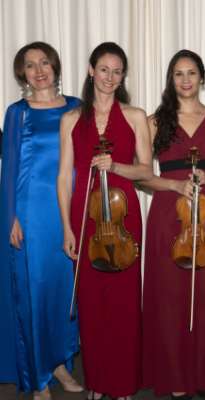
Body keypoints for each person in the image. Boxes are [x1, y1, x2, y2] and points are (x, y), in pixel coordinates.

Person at [141, 49, 205, 399]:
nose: (185, 80)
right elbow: (142, 175)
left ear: (202, 78)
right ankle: (175, 377)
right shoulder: (154, 122)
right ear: (171, 79)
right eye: (179, 74)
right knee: (170, 296)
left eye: (192, 73)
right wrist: (173, 185)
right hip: (169, 212)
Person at [57, 42, 152, 400]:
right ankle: (97, 381)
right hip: (85, 214)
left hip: (123, 217)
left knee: (124, 304)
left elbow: (146, 171)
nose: (110, 77)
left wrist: (116, 166)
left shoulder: (135, 116)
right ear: (90, 70)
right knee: (92, 304)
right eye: (104, 69)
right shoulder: (70, 119)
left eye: (117, 71)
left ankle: (123, 384)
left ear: (123, 76)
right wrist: (67, 228)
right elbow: (63, 177)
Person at [0, 42, 82, 400]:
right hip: (31, 214)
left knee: (64, 294)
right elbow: (9, 168)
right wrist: (11, 217)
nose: (38, 71)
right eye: (30, 65)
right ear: (23, 74)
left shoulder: (77, 107)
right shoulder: (17, 112)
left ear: (55, 66)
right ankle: (38, 377)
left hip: (68, 212)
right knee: (34, 294)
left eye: (44, 62)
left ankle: (60, 364)